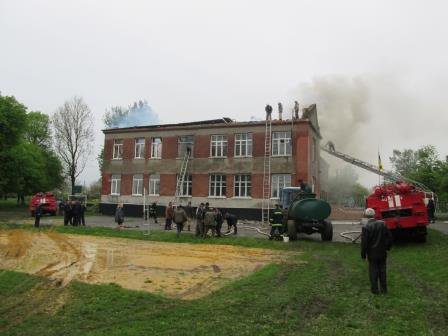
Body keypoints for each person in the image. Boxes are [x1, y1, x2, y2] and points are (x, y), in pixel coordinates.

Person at [361, 208, 393, 294]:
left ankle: (375, 290)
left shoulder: (366, 227)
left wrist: (363, 255)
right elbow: (389, 237)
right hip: (382, 252)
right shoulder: (383, 224)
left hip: (372, 253)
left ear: (366, 216)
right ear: (374, 215)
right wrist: (388, 248)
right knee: (383, 270)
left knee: (373, 271)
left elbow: (364, 243)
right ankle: (384, 289)